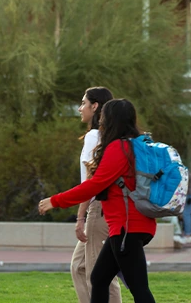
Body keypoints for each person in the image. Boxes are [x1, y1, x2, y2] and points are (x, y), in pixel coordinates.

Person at [39, 99, 157, 303]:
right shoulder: (138, 145)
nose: (100, 121)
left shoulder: (119, 148)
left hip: (126, 228)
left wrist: (56, 201)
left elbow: (94, 185)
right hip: (134, 225)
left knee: (139, 289)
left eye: (102, 117)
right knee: (99, 278)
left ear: (111, 120)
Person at [71, 87, 121, 303]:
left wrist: (80, 216)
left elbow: (91, 183)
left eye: (84, 103)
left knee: (99, 274)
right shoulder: (108, 136)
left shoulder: (94, 136)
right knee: (79, 267)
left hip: (98, 208)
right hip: (103, 207)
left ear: (95, 106)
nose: (80, 108)